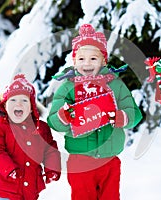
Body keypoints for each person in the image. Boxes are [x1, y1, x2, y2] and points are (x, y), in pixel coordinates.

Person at [47, 24, 142, 200]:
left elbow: (134, 112)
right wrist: (63, 116)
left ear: (103, 61)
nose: (87, 63)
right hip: (80, 159)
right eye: (81, 59)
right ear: (74, 61)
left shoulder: (115, 85)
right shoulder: (68, 87)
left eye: (93, 58)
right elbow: (53, 121)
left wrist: (123, 117)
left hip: (109, 159)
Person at [0, 74, 61, 200]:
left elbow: (50, 150)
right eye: (13, 100)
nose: (18, 104)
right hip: (3, 189)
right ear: (5, 105)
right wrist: (8, 168)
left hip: (29, 190)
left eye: (24, 100)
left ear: (31, 108)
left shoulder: (41, 129)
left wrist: (52, 169)